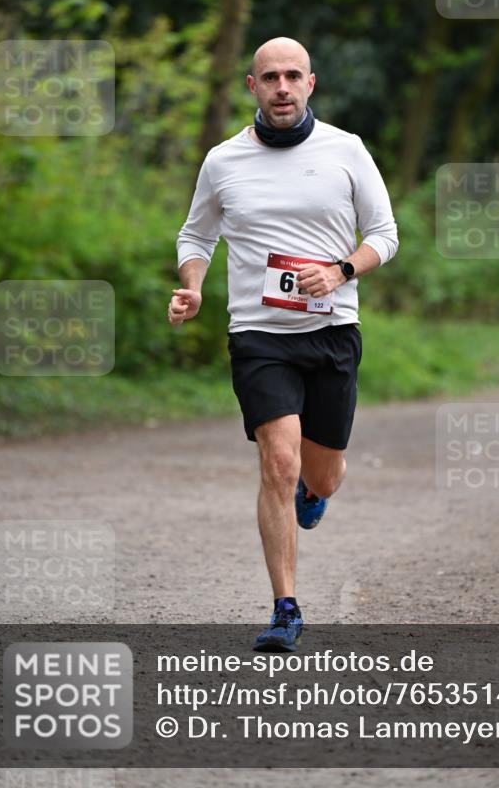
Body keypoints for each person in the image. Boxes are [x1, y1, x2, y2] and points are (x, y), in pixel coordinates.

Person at [168, 37, 399, 650]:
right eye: (269, 77)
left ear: (311, 83)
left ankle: (314, 491)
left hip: (330, 330)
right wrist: (191, 286)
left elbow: (384, 233)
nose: (282, 87)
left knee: (320, 475)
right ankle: (285, 608)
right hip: (258, 334)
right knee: (278, 461)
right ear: (252, 86)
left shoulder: (346, 150)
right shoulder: (223, 160)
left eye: (293, 76)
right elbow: (196, 236)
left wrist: (342, 270)